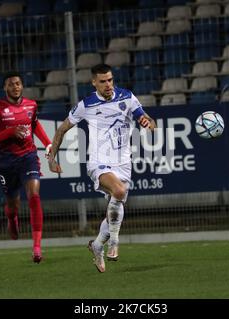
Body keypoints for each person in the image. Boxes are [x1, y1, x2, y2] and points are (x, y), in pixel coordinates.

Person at [48, 64, 156, 273]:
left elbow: (151, 123)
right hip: (98, 162)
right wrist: (52, 158)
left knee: (115, 208)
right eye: (103, 81)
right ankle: (114, 242)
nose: (108, 85)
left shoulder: (127, 97)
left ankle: (97, 246)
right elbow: (62, 129)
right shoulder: (86, 105)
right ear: (94, 82)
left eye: (110, 80)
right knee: (119, 192)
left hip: (124, 163)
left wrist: (147, 122)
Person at [0, 73, 60, 263]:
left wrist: (49, 144)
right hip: (7, 162)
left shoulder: (31, 105)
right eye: (11, 84)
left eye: (18, 84)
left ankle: (37, 247)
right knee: (12, 204)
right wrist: (10, 132)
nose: (15, 87)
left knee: (34, 196)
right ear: (5, 88)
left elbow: (35, 125)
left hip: (28, 157)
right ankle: (12, 218)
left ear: (22, 86)